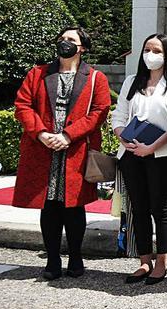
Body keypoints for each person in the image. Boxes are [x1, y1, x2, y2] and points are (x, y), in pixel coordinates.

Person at [13, 27, 111, 280]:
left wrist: (68, 135)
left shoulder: (95, 77)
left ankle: (76, 256)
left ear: (83, 48)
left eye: (71, 40)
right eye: (62, 39)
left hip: (75, 148)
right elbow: (23, 105)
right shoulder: (38, 73)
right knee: (49, 205)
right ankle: (53, 258)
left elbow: (100, 111)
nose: (65, 43)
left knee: (73, 206)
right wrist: (42, 133)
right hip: (43, 148)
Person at [112, 33, 167, 285]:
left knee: (159, 208)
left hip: (162, 156)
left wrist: (151, 147)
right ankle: (144, 260)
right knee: (138, 208)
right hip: (131, 154)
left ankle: (162, 260)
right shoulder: (132, 81)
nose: (150, 55)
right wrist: (127, 141)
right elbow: (118, 117)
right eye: (146, 50)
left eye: (156, 51)